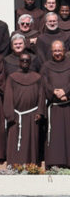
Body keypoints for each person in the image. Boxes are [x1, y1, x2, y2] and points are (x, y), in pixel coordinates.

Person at [4, 53, 45, 165]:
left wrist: (40, 112)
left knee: (31, 143)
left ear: (30, 62)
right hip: (16, 116)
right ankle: (14, 165)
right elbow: (8, 96)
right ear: (19, 62)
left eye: (27, 60)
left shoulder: (37, 77)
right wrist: (10, 114)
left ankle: (31, 166)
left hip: (32, 115)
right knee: (14, 142)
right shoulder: (12, 77)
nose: (25, 62)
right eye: (23, 60)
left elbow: (42, 95)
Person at [41, 40, 70, 168]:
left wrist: (65, 92)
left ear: (64, 51)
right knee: (55, 137)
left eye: (59, 50)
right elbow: (44, 83)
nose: (57, 53)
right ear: (51, 52)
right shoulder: (46, 66)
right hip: (54, 108)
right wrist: (54, 92)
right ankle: (55, 163)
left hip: (68, 105)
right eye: (55, 51)